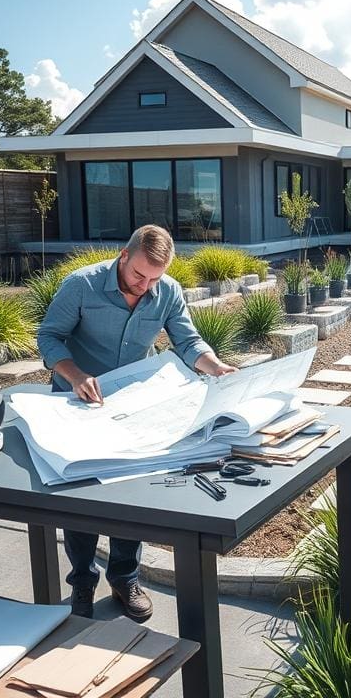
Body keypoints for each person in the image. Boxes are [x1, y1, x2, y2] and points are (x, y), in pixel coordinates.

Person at [37, 225, 237, 620]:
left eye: (154, 279)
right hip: (78, 403)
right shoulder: (81, 285)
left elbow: (187, 341)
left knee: (130, 493)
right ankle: (81, 581)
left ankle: (125, 577)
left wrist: (216, 367)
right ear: (123, 256)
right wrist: (75, 375)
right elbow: (49, 337)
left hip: (133, 405)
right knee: (82, 495)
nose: (145, 287)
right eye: (138, 275)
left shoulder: (169, 292)